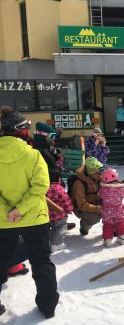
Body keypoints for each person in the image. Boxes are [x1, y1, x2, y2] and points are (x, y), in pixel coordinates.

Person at [0, 106, 59, 318]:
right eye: (27, 126)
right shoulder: (33, 155)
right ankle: (48, 306)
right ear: (19, 129)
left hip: (2, 221)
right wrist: (20, 209)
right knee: (41, 262)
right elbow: (40, 187)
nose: (29, 130)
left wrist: (9, 211)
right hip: (34, 218)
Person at [72, 157, 103, 236]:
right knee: (96, 217)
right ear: (91, 172)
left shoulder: (95, 178)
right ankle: (84, 226)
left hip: (94, 203)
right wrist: (97, 209)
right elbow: (81, 204)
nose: (100, 174)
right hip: (80, 208)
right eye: (98, 172)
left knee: (113, 207)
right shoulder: (79, 184)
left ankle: (110, 229)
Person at [46, 169, 74, 252]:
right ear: (58, 179)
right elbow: (66, 201)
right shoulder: (59, 189)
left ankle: (50, 241)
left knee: (53, 228)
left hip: (48, 215)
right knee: (60, 229)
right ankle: (56, 244)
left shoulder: (44, 188)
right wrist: (69, 209)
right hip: (60, 215)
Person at [98, 169, 124, 247]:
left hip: (107, 211)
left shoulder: (103, 189)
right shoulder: (121, 188)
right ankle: (122, 237)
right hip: (119, 210)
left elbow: (100, 195)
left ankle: (108, 240)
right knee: (120, 223)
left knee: (108, 225)